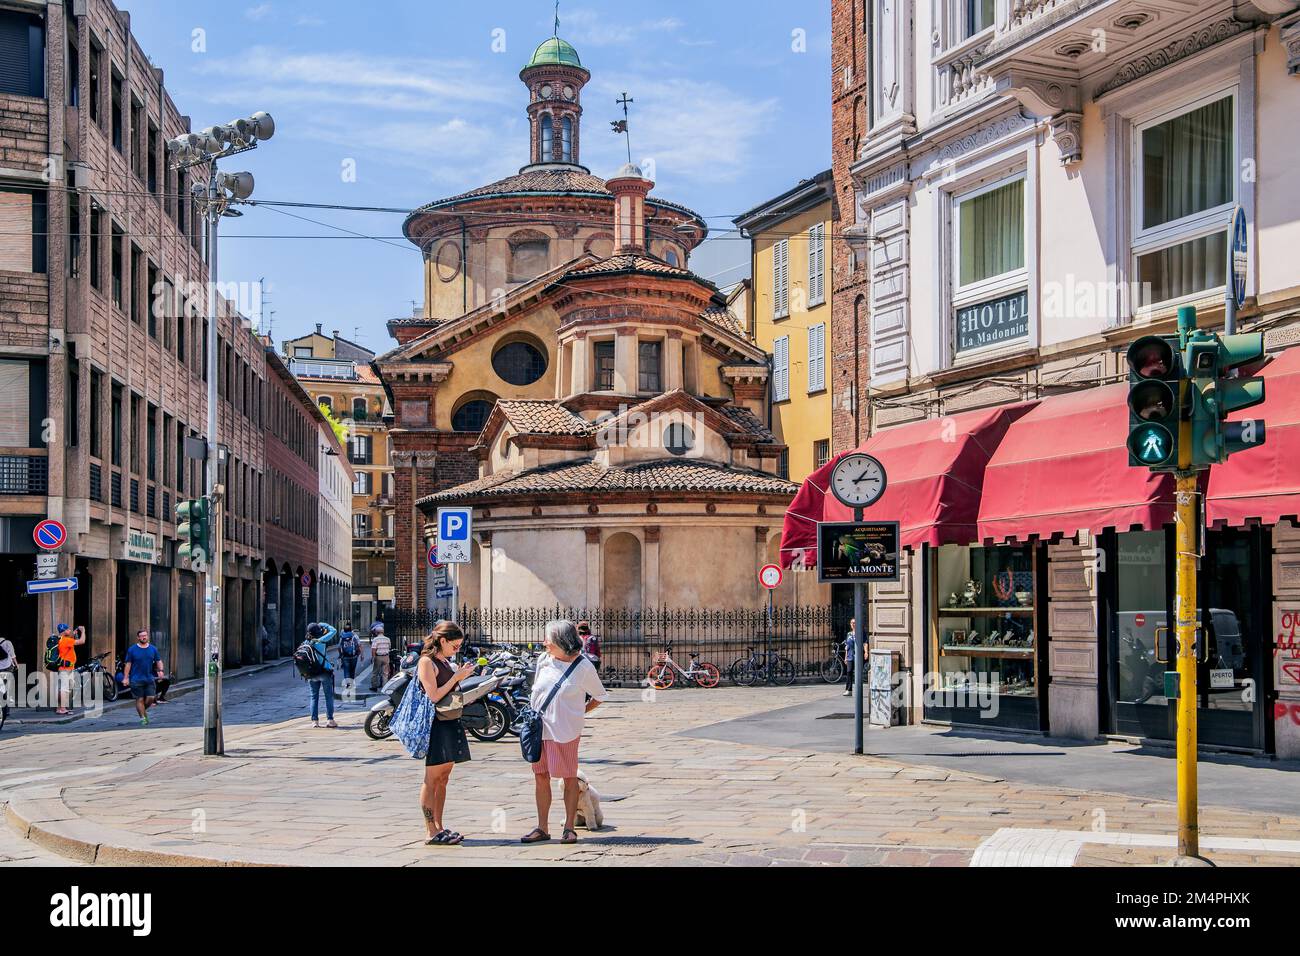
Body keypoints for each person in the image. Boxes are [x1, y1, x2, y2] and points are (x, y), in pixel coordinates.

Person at [522, 619, 607, 846]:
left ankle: (569, 828)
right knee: (541, 777)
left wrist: (580, 713)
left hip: (566, 731)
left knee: (569, 778)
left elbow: (599, 695)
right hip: (539, 730)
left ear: (562, 641)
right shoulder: (544, 660)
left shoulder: (583, 667)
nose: (544, 643)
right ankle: (542, 827)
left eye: (548, 639)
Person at [417, 620, 476, 846]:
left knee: (444, 778)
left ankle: (440, 826)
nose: (457, 649)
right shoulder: (426, 662)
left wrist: (463, 678)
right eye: (455, 645)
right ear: (442, 641)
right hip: (436, 726)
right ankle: (430, 831)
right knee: (431, 779)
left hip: (450, 722)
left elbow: (449, 690)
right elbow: (433, 695)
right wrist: (455, 678)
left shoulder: (444, 661)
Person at [123, 629, 164, 726]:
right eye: (141, 636)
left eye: (145, 635)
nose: (144, 637)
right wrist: (126, 677)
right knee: (139, 699)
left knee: (150, 698)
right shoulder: (132, 649)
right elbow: (128, 664)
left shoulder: (153, 649)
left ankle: (141, 711)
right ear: (138, 637)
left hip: (149, 678)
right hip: (136, 679)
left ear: (148, 636)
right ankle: (143, 718)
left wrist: (161, 670)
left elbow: (159, 661)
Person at [303, 622, 340, 728]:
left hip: (311, 674)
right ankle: (330, 720)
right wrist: (322, 624)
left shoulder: (306, 642)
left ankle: (315, 721)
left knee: (314, 697)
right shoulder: (321, 640)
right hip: (324, 672)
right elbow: (333, 630)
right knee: (328, 696)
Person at [54, 623, 85, 715]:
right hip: (66, 668)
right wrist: (83, 631)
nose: (70, 631)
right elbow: (82, 641)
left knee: (63, 688)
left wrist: (74, 635)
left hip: (64, 667)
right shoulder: (66, 640)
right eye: (68, 630)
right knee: (64, 688)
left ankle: (59, 707)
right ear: (64, 631)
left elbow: (71, 643)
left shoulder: (61, 640)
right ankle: (62, 709)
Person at [843, 618, 866, 697]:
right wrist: (846, 657)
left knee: (858, 673)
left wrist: (866, 652)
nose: (853, 624)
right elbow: (847, 646)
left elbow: (865, 643)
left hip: (858, 655)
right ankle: (849, 690)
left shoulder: (861, 633)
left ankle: (859, 690)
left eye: (854, 623)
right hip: (850, 655)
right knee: (849, 672)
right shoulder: (849, 634)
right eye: (852, 623)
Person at [338, 622, 361, 690]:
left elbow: (339, 647)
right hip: (354, 656)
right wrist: (359, 654)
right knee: (352, 670)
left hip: (345, 656)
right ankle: (352, 683)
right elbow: (359, 645)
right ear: (351, 629)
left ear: (344, 630)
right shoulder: (355, 636)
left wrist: (340, 654)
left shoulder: (342, 637)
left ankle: (348, 684)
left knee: (346, 670)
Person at [369, 622, 391, 692]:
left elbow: (373, 649)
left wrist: (373, 657)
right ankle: (385, 687)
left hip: (378, 657)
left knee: (375, 672)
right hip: (386, 656)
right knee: (385, 673)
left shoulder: (375, 639)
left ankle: (374, 686)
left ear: (376, 632)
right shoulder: (387, 639)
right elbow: (389, 647)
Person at [0, 633, 16, 726]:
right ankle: (7, 710)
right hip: (7, 668)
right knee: (8, 689)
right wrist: (17, 665)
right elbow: (13, 656)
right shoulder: (7, 642)